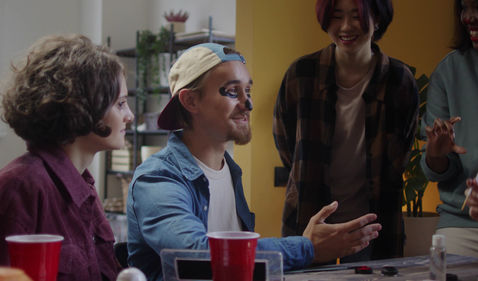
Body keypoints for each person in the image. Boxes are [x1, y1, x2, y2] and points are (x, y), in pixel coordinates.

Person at [126, 43, 382, 281]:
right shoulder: (158, 178)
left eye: (247, 90)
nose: (248, 103)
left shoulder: (229, 170)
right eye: (231, 91)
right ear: (191, 101)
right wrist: (308, 247)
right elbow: (196, 253)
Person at [273, 0, 419, 262]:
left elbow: (400, 155)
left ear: (377, 19)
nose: (346, 26)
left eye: (357, 16)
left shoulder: (399, 79)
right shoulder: (301, 75)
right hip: (309, 217)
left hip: (374, 223)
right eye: (337, 16)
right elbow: (286, 144)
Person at [0, 34, 134, 281]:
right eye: (121, 104)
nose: (130, 116)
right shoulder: (21, 186)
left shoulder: (85, 189)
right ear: (84, 106)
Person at [420, 0, 478, 259]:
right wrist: (436, 154)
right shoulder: (449, 72)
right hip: (464, 222)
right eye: (464, 8)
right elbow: (438, 171)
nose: (468, 18)